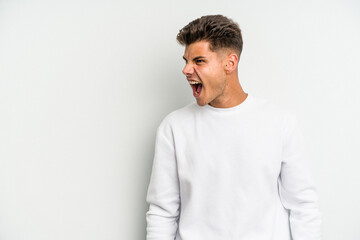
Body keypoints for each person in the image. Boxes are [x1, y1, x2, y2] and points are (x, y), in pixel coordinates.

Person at [146, 14, 322, 240]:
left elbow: (303, 207)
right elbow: (162, 212)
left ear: (230, 63)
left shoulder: (280, 123)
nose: (186, 70)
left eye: (199, 61)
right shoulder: (174, 127)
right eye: (186, 61)